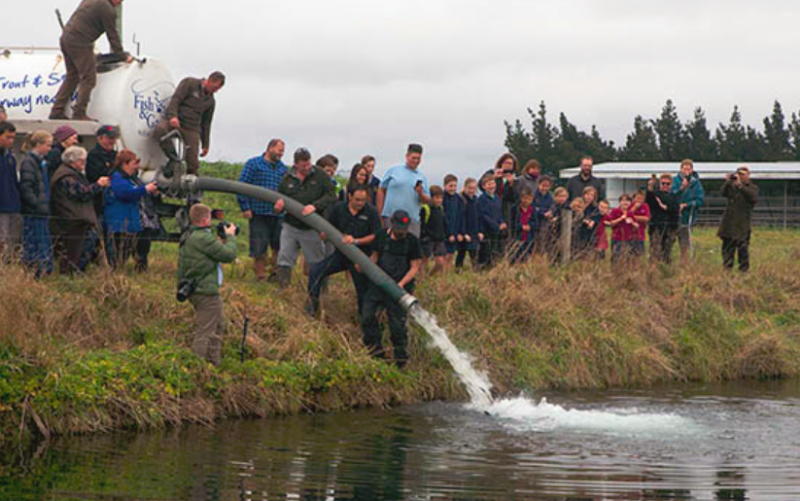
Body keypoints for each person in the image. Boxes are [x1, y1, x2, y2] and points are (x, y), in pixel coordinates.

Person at [49, 0, 131, 120]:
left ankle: (57, 110)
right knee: (89, 78)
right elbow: (112, 35)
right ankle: (79, 113)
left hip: (66, 38)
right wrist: (123, 56)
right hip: (81, 42)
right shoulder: (107, 9)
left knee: (72, 75)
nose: (119, 3)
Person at [177, 204, 238, 366]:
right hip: (205, 292)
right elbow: (228, 254)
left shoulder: (191, 235)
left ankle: (212, 365)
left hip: (196, 289)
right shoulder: (203, 238)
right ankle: (196, 368)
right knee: (206, 332)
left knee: (217, 328)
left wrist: (219, 240)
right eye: (210, 217)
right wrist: (230, 237)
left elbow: (209, 254)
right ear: (204, 220)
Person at [306, 184, 380, 317]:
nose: (360, 203)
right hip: (341, 254)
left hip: (360, 258)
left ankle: (364, 320)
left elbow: (375, 236)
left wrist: (356, 240)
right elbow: (328, 228)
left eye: (363, 200)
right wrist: (325, 235)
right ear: (349, 196)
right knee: (315, 271)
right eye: (357, 200)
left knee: (362, 290)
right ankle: (312, 309)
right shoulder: (339, 208)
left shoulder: (371, 211)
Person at [361, 210, 422, 369]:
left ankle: (400, 362)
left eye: (404, 228)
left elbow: (415, 267)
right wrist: (366, 265)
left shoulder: (412, 241)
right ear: (392, 224)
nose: (401, 231)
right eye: (399, 227)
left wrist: (401, 284)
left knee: (397, 326)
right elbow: (375, 256)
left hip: (399, 291)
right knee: (367, 316)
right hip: (378, 285)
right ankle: (375, 352)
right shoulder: (381, 236)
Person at [274, 148, 337, 288]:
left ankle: (320, 290)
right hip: (290, 224)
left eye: (309, 164)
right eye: (304, 165)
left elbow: (331, 195)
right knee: (284, 257)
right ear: (296, 164)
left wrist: (315, 206)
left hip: (311, 227)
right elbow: (280, 199)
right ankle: (284, 289)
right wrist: (278, 207)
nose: (307, 167)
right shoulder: (287, 178)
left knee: (317, 260)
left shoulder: (320, 175)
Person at [50, 146, 110, 275]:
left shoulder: (71, 173)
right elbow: (80, 193)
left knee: (79, 248)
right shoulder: (66, 176)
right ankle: (70, 274)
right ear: (72, 161)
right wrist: (98, 185)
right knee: (73, 249)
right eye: (81, 161)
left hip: (75, 217)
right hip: (71, 218)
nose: (84, 164)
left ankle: (75, 272)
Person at [237, 139, 288, 282]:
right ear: (270, 148)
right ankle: (260, 276)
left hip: (278, 214)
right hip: (258, 212)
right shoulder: (254, 164)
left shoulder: (283, 169)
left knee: (278, 246)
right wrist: (245, 207)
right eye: (279, 150)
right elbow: (241, 186)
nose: (281, 154)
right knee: (259, 247)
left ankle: (275, 274)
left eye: (283, 151)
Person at [156, 72, 225, 175]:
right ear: (209, 80)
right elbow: (176, 99)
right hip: (177, 120)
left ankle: (191, 182)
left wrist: (205, 144)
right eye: (215, 88)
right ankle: (173, 159)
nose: (215, 91)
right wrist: (173, 116)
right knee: (160, 130)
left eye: (218, 89)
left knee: (193, 162)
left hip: (192, 128)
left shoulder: (211, 101)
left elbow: (206, 124)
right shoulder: (189, 83)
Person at [104, 149, 158, 269]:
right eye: (134, 163)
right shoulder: (117, 178)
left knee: (128, 249)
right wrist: (145, 189)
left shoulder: (129, 178)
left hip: (127, 221)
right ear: (125, 164)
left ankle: (122, 272)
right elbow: (125, 193)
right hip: (119, 222)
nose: (136, 166)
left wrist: (151, 190)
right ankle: (115, 273)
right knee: (119, 252)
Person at [19, 131, 55, 277]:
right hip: (34, 211)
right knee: (34, 243)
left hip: (41, 209)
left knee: (42, 242)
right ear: (39, 145)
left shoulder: (40, 162)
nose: (50, 149)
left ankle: (43, 270)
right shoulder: (29, 162)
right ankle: (34, 272)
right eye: (48, 145)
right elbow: (26, 188)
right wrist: (37, 205)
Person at [377, 144, 430, 237]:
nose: (416, 161)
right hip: (391, 217)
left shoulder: (421, 177)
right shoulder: (393, 171)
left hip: (411, 220)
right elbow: (381, 190)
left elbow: (427, 200)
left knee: (410, 249)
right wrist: (380, 212)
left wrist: (420, 192)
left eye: (418, 158)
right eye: (413, 158)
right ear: (407, 156)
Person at [718, 166, 758, 272]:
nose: (741, 176)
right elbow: (722, 193)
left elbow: (753, 197)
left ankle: (743, 271)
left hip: (742, 225)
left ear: (748, 175)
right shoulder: (731, 187)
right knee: (727, 249)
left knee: (743, 250)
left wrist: (740, 186)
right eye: (739, 174)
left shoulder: (752, 187)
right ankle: (727, 269)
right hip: (729, 224)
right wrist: (728, 182)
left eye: (743, 174)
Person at [671, 159, 705, 263]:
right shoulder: (674, 181)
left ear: (692, 170)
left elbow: (700, 200)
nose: (686, 171)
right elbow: (670, 195)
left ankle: (684, 263)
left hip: (686, 218)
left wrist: (687, 205)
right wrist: (682, 188)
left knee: (684, 242)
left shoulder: (696, 184)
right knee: (669, 240)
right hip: (672, 217)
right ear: (680, 169)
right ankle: (666, 262)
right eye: (684, 168)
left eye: (688, 169)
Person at [646, 174, 680, 263]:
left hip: (670, 226)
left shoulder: (674, 196)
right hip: (656, 226)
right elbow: (649, 200)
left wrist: (665, 207)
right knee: (655, 251)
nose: (665, 185)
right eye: (663, 183)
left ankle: (666, 270)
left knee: (667, 251)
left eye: (667, 184)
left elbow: (676, 209)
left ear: (671, 185)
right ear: (659, 184)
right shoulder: (655, 194)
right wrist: (650, 186)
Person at [0, 122, 22, 260]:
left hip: (13, 205)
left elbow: (14, 181)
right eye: (8, 137)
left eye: (13, 138)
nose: (11, 141)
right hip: (1, 207)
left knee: (12, 242)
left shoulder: (10, 157)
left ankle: (8, 268)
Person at [477, 173, 506, 269]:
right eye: (488, 184)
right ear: (484, 186)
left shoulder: (496, 197)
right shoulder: (482, 199)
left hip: (497, 230)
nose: (491, 186)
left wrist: (502, 222)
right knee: (485, 252)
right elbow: (483, 215)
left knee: (495, 252)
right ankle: (482, 270)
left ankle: (492, 270)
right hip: (486, 230)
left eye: (493, 183)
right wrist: (495, 225)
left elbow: (499, 212)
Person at [419, 185, 447, 277]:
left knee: (440, 262)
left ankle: (429, 276)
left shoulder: (441, 209)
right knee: (424, 260)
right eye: (437, 198)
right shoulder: (425, 209)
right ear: (431, 198)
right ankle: (421, 281)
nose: (439, 200)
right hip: (428, 239)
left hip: (439, 239)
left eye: (441, 198)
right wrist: (424, 236)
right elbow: (422, 224)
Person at [455, 178, 481, 271]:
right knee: (461, 253)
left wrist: (479, 231)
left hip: (474, 231)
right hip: (464, 232)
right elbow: (460, 217)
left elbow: (478, 217)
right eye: (469, 188)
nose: (471, 191)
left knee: (474, 253)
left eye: (474, 188)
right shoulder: (461, 199)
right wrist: (463, 233)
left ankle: (475, 271)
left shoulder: (475, 199)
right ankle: (457, 271)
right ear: (465, 187)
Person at [608, 194, 639, 266]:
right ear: (620, 202)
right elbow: (611, 223)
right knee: (616, 258)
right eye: (623, 200)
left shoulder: (630, 213)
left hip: (628, 239)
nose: (625, 202)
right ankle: (615, 273)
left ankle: (624, 274)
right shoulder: (615, 211)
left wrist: (632, 222)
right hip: (617, 239)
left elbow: (637, 226)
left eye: (628, 201)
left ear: (630, 203)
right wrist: (621, 218)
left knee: (627, 259)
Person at [509, 187, 536, 264]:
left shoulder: (532, 209)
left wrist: (530, 226)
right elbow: (511, 222)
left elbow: (535, 222)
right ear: (521, 198)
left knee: (527, 256)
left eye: (529, 199)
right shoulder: (515, 209)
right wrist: (521, 226)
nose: (526, 201)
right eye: (525, 198)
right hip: (517, 236)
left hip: (529, 237)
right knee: (515, 255)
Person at [442, 174, 463, 271]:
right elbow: (443, 218)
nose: (453, 188)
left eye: (455, 186)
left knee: (451, 255)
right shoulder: (442, 198)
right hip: (445, 232)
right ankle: (442, 276)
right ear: (445, 186)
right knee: (445, 256)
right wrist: (449, 234)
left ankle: (447, 274)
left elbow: (460, 216)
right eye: (450, 186)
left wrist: (460, 232)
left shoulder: (458, 199)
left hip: (455, 231)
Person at [543, 186, 569, 263]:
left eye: (564, 196)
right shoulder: (553, 206)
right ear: (555, 197)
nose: (562, 198)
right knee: (552, 250)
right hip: (553, 233)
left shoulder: (568, 207)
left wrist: (558, 218)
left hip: (564, 232)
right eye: (560, 196)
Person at [532, 176, 554, 254]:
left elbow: (551, 208)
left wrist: (547, 212)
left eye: (547, 186)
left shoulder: (550, 196)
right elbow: (533, 208)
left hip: (546, 223)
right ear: (539, 185)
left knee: (544, 243)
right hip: (535, 222)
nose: (544, 188)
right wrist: (542, 212)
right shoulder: (534, 195)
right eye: (543, 185)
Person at [629, 190, 651, 258]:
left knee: (639, 255)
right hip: (629, 235)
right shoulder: (630, 205)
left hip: (640, 235)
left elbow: (646, 218)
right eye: (638, 198)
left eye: (641, 199)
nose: (639, 200)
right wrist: (635, 208)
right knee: (629, 255)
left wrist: (633, 217)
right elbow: (627, 215)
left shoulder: (645, 206)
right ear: (634, 199)